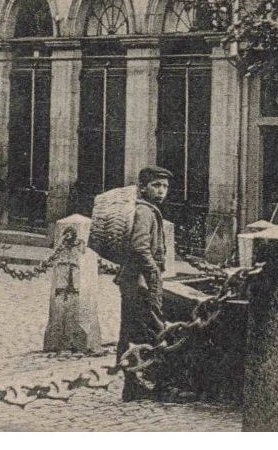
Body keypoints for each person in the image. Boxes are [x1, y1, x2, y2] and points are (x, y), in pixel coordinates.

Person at [117, 165, 170, 402]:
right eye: (156, 185)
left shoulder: (148, 210)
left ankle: (133, 385)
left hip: (136, 279)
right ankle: (136, 384)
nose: (161, 191)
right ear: (143, 188)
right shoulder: (145, 212)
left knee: (133, 330)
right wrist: (153, 272)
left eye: (165, 186)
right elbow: (140, 247)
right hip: (140, 281)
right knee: (144, 330)